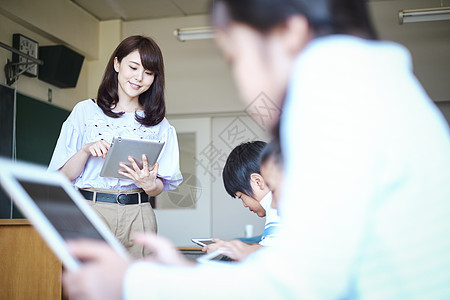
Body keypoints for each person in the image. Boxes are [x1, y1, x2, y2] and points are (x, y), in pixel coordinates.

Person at [62, 0, 450, 299]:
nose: (248, 92)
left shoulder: (336, 104)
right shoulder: (377, 87)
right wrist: (179, 276)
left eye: (236, 57)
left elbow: (292, 287)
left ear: (290, 32)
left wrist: (135, 281)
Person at [48, 35, 183, 258]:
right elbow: (62, 176)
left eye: (148, 73)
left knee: (137, 287)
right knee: (92, 288)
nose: (139, 78)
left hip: (138, 213)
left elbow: (161, 185)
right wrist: (85, 150)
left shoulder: (160, 125)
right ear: (117, 64)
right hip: (91, 209)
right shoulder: (85, 112)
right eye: (133, 67)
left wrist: (149, 184)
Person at [202, 140, 281, 261]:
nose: (244, 204)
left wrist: (227, 250)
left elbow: (271, 254)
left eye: (241, 196)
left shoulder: (276, 204)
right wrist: (230, 247)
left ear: (257, 181)